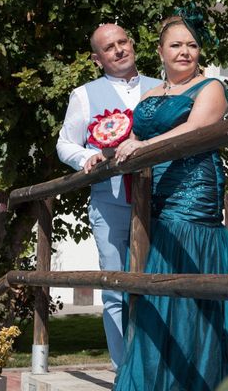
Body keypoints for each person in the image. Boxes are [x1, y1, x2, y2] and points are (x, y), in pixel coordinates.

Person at [111, 13, 228, 390]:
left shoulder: (211, 87)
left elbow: (194, 130)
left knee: (189, 286)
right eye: (176, 45)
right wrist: (107, 153)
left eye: (191, 45)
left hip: (192, 194)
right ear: (160, 52)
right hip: (152, 199)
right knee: (153, 289)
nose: (185, 52)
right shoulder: (150, 95)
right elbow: (131, 138)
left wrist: (141, 146)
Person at [56, 24, 161, 369]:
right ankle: (123, 368)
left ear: (132, 44)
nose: (118, 50)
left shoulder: (161, 87)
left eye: (122, 42)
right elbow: (65, 143)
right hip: (110, 201)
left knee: (160, 284)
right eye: (109, 47)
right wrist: (85, 157)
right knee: (115, 286)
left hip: (160, 200)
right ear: (97, 59)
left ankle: (158, 364)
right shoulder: (84, 95)